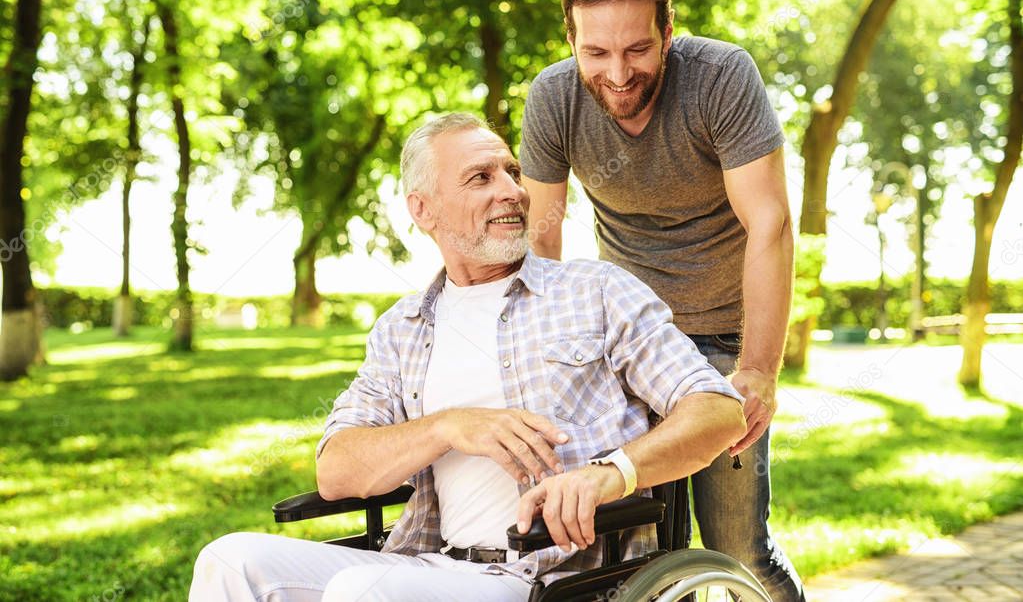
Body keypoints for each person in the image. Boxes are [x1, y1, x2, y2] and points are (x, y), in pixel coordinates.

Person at [189, 113, 746, 601]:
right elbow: (336, 471)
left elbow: (719, 412)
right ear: (423, 210)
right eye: (481, 177)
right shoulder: (402, 329)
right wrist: (450, 427)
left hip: (548, 578)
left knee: (363, 591)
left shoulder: (597, 292)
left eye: (512, 171)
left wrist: (612, 474)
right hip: (426, 564)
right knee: (229, 560)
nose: (512, 190)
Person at [518, 0, 804, 602]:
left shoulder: (720, 78)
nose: (617, 74)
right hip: (630, 343)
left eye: (637, 49)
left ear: (667, 31)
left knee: (736, 544)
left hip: (723, 345)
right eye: (595, 52)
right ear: (570, 39)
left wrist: (758, 366)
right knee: (637, 545)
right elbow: (541, 237)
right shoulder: (554, 99)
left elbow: (769, 223)